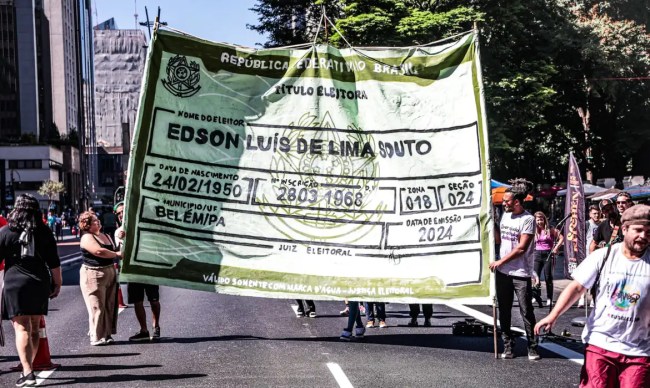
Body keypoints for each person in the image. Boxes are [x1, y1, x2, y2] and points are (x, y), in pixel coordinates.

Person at [535, 205, 650, 387]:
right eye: (638, 230)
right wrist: (553, 315)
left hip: (640, 350)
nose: (643, 236)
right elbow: (577, 287)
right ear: (625, 228)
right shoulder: (604, 256)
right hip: (601, 344)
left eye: (648, 232)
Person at [0, 194, 62, 387]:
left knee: (21, 327)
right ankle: (30, 366)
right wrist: (57, 283)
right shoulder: (44, 231)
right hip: (39, 281)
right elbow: (54, 262)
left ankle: (28, 372)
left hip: (14, 282)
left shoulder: (6, 231)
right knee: (35, 326)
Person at [488, 183, 539, 360]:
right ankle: (508, 345)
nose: (504, 203)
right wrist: (492, 224)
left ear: (517, 202)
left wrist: (500, 261)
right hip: (503, 273)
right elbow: (499, 239)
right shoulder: (505, 216)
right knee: (504, 310)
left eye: (507, 201)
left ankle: (532, 347)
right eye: (503, 201)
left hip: (520, 272)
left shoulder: (528, 219)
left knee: (526, 310)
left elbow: (521, 248)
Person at [114, 202, 161, 341]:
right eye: (118, 213)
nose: (121, 214)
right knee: (137, 301)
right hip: (133, 270)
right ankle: (144, 330)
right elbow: (120, 252)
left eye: (123, 211)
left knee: (154, 299)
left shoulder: (144, 222)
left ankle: (156, 326)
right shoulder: (118, 232)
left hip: (149, 266)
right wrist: (123, 238)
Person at [78, 211, 121, 346]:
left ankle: (107, 334)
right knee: (97, 306)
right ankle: (96, 336)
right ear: (87, 225)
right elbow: (99, 251)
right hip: (94, 274)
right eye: (95, 221)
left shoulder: (105, 235)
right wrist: (116, 253)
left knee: (109, 305)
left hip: (109, 272)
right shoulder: (87, 237)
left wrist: (120, 239)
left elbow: (115, 250)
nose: (98, 222)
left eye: (97, 220)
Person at [531, 211, 563, 308]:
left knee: (548, 277)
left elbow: (561, 238)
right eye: (538, 220)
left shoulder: (550, 229)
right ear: (535, 221)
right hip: (537, 254)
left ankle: (549, 298)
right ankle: (536, 295)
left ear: (544, 220)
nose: (539, 222)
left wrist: (556, 247)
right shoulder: (533, 230)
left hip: (548, 254)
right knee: (535, 277)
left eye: (541, 219)